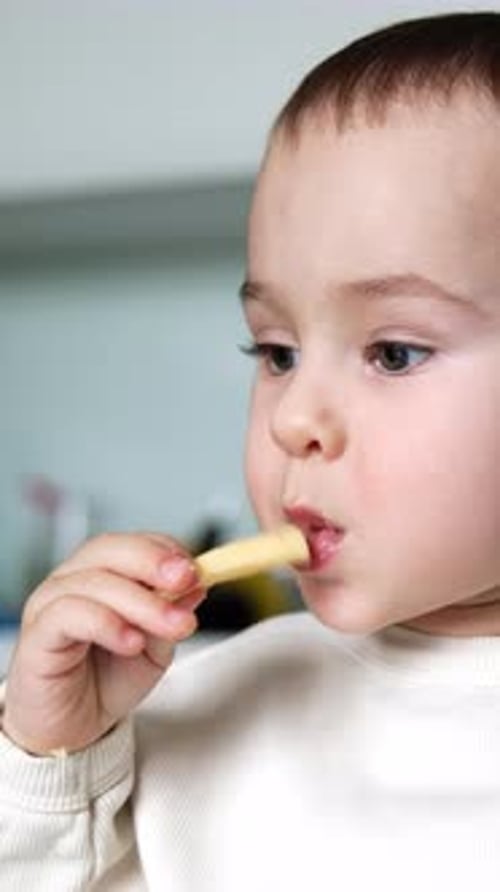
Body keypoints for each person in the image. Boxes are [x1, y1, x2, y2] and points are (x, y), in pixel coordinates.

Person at [1, 10, 500, 891]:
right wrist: (49, 761)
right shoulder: (189, 708)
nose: (293, 417)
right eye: (276, 353)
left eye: (394, 352)